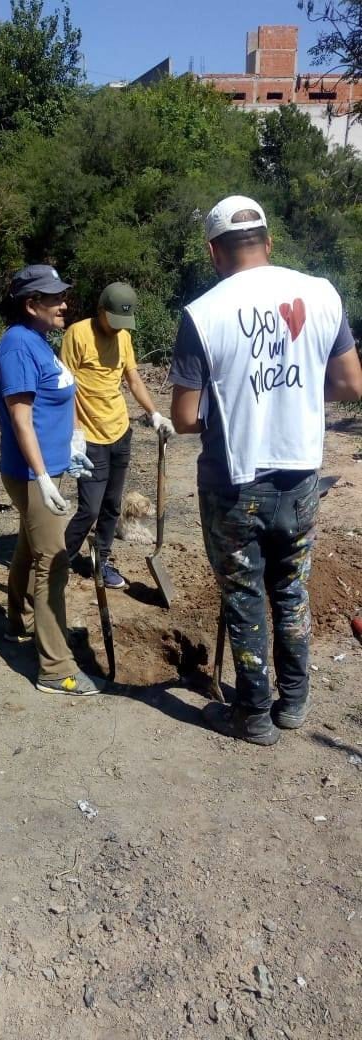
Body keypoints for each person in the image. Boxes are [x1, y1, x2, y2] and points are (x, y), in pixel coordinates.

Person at [169, 195, 362, 746]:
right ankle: (293, 703)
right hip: (301, 478)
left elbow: (185, 417)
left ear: (213, 252)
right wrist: (298, 391)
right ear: (269, 242)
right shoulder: (322, 293)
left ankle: (253, 715)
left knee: (245, 596)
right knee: (291, 590)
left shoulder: (203, 315)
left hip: (235, 483)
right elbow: (351, 385)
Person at [0, 264, 101, 697]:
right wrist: (42, 476)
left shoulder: (38, 341)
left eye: (62, 296)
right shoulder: (18, 347)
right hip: (31, 473)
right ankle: (55, 669)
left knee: (29, 544)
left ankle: (18, 622)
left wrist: (73, 444)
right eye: (54, 298)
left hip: (49, 468)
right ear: (30, 304)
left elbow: (54, 401)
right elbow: (20, 420)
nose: (64, 304)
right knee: (52, 561)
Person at [61, 282, 174, 589]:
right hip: (90, 437)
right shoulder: (77, 334)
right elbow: (66, 386)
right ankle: (60, 560)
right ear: (100, 311)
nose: (119, 328)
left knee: (112, 506)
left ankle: (102, 560)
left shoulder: (123, 337)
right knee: (90, 509)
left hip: (119, 432)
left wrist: (155, 413)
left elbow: (133, 379)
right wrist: (74, 433)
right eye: (114, 320)